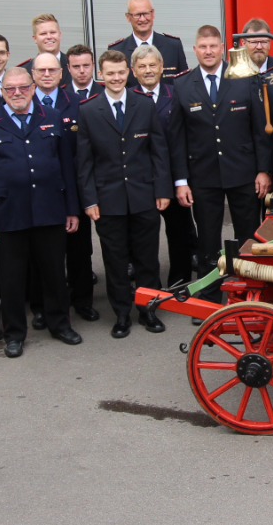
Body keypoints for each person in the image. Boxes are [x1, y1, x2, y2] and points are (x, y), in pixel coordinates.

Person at [0, 68, 82, 358]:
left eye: (23, 88)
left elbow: (66, 169)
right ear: (2, 92)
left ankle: (60, 325)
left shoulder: (52, 117)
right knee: (11, 278)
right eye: (10, 89)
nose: (17, 93)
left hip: (49, 210)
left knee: (55, 273)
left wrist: (72, 209)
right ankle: (14, 334)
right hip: (9, 214)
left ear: (33, 88)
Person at [167, 26, 273, 302]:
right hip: (203, 177)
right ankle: (210, 296)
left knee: (248, 237)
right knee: (208, 241)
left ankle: (250, 292)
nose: (209, 51)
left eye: (213, 46)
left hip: (243, 173)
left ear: (222, 47)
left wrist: (263, 170)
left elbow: (259, 130)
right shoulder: (181, 85)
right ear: (195, 50)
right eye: (203, 47)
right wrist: (181, 181)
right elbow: (177, 140)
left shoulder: (243, 78)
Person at [76, 49, 173, 338]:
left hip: (144, 195)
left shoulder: (143, 105)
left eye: (120, 72)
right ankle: (121, 315)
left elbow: (159, 151)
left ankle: (149, 310)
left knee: (147, 259)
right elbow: (84, 162)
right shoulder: (89, 110)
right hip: (108, 200)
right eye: (110, 73)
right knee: (115, 260)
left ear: (127, 73)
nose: (116, 78)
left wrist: (162, 189)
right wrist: (89, 199)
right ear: (101, 76)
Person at [30, 52, 97, 322]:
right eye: (41, 70)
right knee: (42, 254)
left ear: (62, 73)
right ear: (33, 74)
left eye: (52, 70)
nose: (47, 75)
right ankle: (41, 306)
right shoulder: (23, 103)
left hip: (74, 188)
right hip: (41, 191)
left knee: (79, 250)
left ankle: (82, 301)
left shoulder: (79, 103)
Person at [131, 44, 197, 288]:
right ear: (134, 71)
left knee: (179, 235)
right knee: (142, 239)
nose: (148, 70)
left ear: (162, 68)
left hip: (172, 178)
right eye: (142, 67)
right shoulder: (128, 97)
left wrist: (182, 179)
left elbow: (186, 139)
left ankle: (179, 284)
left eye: (152, 65)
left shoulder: (176, 95)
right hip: (140, 180)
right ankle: (148, 288)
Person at [109, 0, 189, 83]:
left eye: (146, 14)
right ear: (128, 17)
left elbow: (184, 84)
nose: (142, 19)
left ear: (153, 14)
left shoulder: (173, 46)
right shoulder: (117, 51)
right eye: (137, 15)